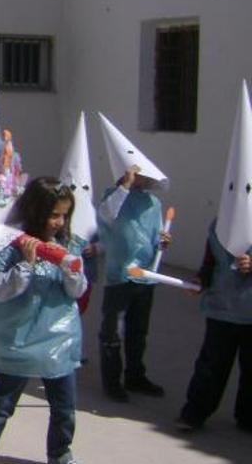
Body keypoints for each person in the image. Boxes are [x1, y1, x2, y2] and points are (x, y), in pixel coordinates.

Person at [0, 177, 85, 464]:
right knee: (2, 404)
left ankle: (60, 453)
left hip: (58, 338)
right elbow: (1, 291)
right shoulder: (11, 244)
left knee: (64, 407)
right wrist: (27, 265)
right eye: (53, 214)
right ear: (35, 211)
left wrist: (71, 270)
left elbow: (77, 291)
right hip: (19, 340)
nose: (59, 221)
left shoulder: (69, 244)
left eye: (64, 215)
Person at [97, 165, 171, 401]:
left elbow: (156, 236)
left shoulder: (153, 203)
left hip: (145, 276)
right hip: (119, 275)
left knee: (138, 331)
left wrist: (163, 241)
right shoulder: (112, 196)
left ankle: (135, 376)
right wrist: (125, 186)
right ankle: (112, 381)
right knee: (112, 331)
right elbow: (107, 214)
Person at [175, 220, 252, 432]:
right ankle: (194, 413)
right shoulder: (221, 223)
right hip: (222, 309)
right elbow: (210, 264)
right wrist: (200, 281)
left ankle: (247, 417)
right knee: (211, 366)